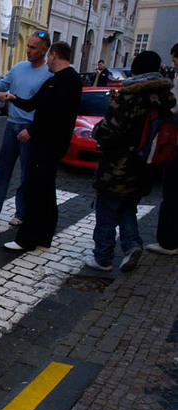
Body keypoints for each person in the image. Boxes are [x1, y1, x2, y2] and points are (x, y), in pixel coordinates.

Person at [83, 51, 176, 271]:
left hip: (118, 166)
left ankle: (103, 257)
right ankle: (132, 245)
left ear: (135, 70)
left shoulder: (130, 97)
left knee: (106, 210)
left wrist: (97, 130)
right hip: (145, 165)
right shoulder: (164, 98)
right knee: (127, 208)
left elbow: (109, 131)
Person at [0, 41, 82, 251]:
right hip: (47, 142)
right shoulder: (56, 80)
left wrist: (32, 131)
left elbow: (55, 115)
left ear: (53, 55)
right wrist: (12, 98)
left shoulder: (69, 81)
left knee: (36, 191)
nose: (48, 63)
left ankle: (26, 239)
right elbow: (34, 103)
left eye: (49, 58)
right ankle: (44, 236)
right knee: (45, 190)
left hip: (49, 143)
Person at [0, 30, 53, 226]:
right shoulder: (19, 67)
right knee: (1, 171)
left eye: (33, 47)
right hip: (11, 125)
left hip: (29, 127)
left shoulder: (48, 74)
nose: (28, 50)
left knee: (26, 175)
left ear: (44, 51)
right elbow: (1, 86)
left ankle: (21, 212)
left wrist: (33, 129)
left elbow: (43, 105)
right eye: (28, 46)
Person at [146, 43, 178, 256]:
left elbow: (172, 106)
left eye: (175, 61)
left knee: (172, 195)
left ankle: (168, 242)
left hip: (174, 146)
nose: (174, 66)